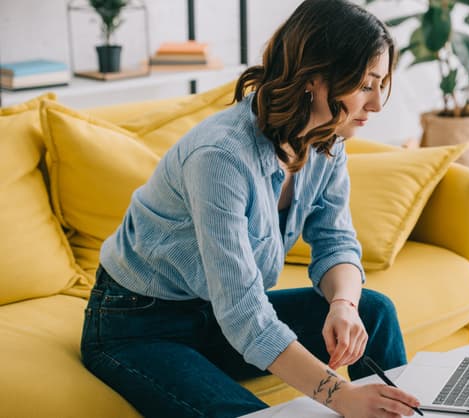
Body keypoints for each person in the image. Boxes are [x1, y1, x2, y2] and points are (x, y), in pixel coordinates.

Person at [80, 1, 422, 416]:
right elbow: (244, 313)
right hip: (140, 326)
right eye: (365, 85)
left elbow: (335, 242)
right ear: (314, 76)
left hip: (219, 316)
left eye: (382, 83)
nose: (377, 104)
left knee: (374, 310)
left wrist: (343, 305)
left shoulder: (326, 141)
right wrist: (340, 396)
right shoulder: (221, 156)